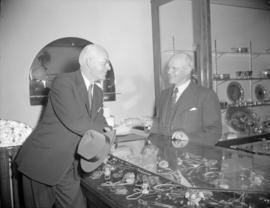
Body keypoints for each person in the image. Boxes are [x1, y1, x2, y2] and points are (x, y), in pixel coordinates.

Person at [15, 44, 111, 208]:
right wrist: (108, 136)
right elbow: (77, 122)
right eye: (105, 62)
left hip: (68, 164)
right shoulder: (64, 82)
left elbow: (100, 121)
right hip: (42, 163)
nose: (108, 67)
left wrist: (110, 133)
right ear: (88, 62)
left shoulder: (98, 91)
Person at [150, 53, 222, 147]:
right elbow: (160, 126)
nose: (169, 72)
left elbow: (215, 132)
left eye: (174, 68)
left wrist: (189, 138)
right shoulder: (163, 95)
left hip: (192, 156)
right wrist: (143, 122)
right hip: (166, 157)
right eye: (168, 68)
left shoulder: (206, 95)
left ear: (187, 70)